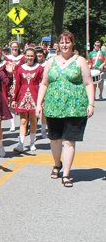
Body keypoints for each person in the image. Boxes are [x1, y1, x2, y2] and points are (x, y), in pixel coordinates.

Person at [36, 32, 95, 188]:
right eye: (61, 42)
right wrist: (38, 104)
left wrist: (91, 103)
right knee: (54, 139)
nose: (64, 45)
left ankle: (67, 174)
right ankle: (57, 165)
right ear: (58, 45)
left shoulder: (80, 61)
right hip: (53, 107)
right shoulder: (50, 62)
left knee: (69, 141)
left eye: (67, 42)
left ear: (72, 44)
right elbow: (44, 83)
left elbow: (89, 83)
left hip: (75, 108)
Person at [12, 48, 44, 152]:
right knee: (23, 120)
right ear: (24, 56)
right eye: (28, 55)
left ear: (35, 57)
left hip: (35, 95)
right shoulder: (20, 68)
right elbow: (17, 84)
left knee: (34, 120)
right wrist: (14, 98)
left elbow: (42, 84)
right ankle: (20, 144)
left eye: (31, 56)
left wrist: (42, 99)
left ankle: (32, 143)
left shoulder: (39, 68)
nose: (29, 58)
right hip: (22, 96)